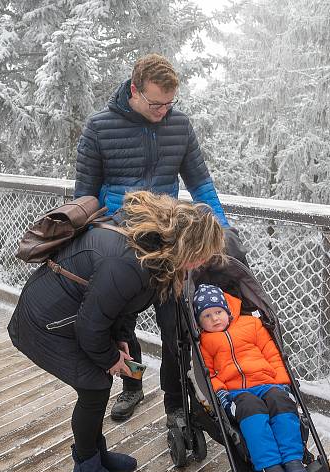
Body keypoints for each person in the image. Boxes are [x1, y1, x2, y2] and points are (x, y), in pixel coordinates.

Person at [8, 191, 225, 472]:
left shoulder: (152, 249)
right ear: (184, 244)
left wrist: (120, 338)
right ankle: (86, 464)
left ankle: (96, 453)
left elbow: (122, 305)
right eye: (201, 253)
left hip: (73, 314)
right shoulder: (127, 263)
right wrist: (109, 356)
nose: (202, 262)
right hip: (46, 323)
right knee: (95, 386)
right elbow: (91, 324)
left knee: (98, 383)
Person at [73, 53, 238, 426]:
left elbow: (200, 184)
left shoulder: (179, 125)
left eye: (169, 103)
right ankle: (131, 384)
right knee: (119, 323)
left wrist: (221, 230)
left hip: (168, 246)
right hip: (119, 243)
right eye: (155, 103)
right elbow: (83, 196)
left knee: (176, 328)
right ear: (134, 90)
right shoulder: (99, 127)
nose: (163, 110)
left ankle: (175, 404)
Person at [193, 284, 307, 472]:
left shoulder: (252, 325)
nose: (215, 319)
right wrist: (220, 394)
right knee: (250, 407)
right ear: (200, 321)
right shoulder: (204, 342)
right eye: (207, 316)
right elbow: (208, 374)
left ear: (227, 310)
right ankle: (268, 465)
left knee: (281, 401)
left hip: (267, 382)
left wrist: (283, 383)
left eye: (218, 312)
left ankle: (293, 458)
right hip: (236, 392)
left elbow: (273, 355)